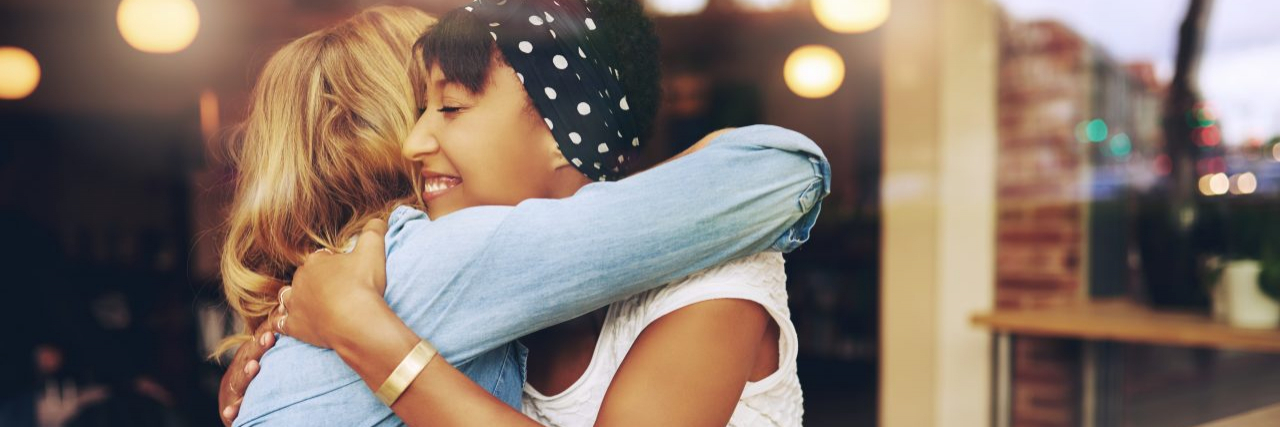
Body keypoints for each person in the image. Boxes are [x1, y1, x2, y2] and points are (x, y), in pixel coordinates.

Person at [219, 1, 827, 426]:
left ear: (567, 136)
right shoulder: (458, 294)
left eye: (451, 107)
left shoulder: (714, 280)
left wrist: (363, 333)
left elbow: (781, 170)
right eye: (419, 110)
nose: (414, 143)